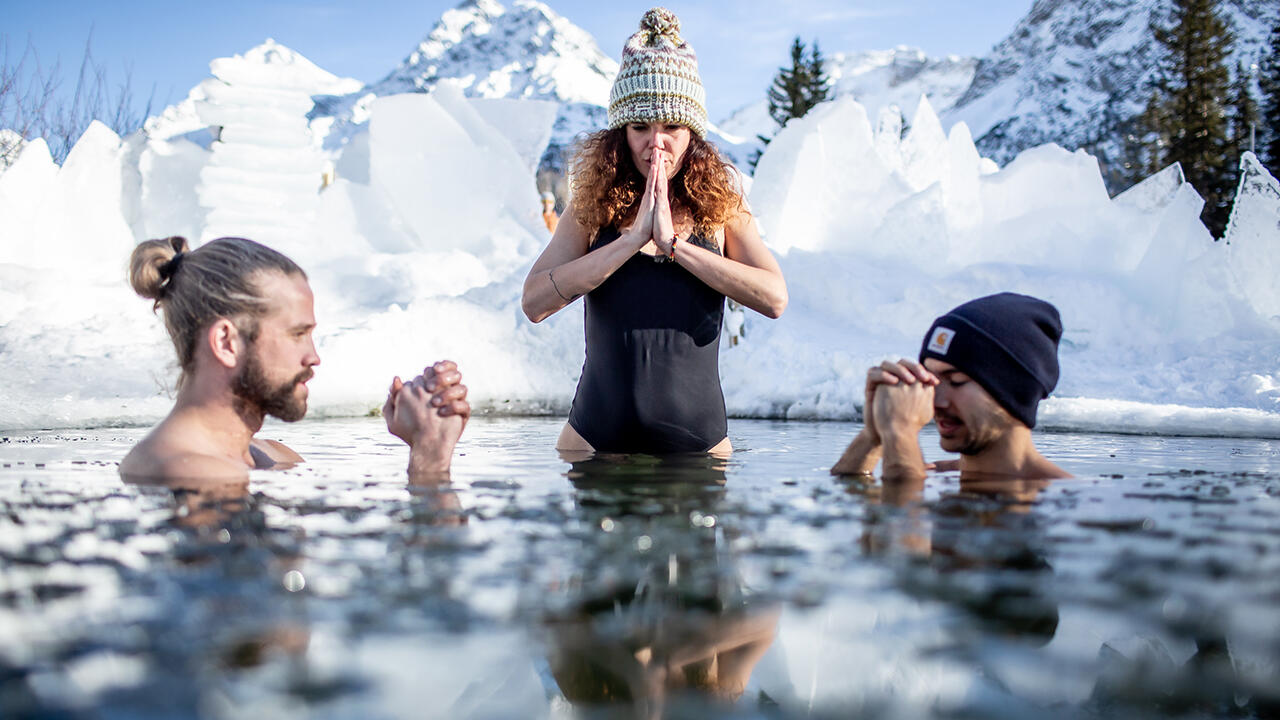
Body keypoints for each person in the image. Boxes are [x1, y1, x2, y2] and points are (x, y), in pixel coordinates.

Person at [521, 7, 787, 455]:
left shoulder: (723, 207)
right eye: (641, 127)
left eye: (672, 128)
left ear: (694, 134)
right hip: (593, 448)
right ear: (621, 133)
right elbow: (534, 302)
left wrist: (675, 246)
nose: (655, 143)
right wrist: (627, 243)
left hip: (699, 453)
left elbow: (774, 298)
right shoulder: (592, 207)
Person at [120, 235, 469, 480]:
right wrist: (429, 463)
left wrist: (429, 438)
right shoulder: (185, 472)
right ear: (227, 342)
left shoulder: (274, 457)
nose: (314, 357)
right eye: (297, 334)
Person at [832, 292, 1070, 481]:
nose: (935, 402)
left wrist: (901, 432)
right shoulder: (933, 474)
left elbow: (901, 533)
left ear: (1015, 389)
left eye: (956, 381)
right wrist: (874, 437)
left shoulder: (1062, 501)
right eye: (930, 380)